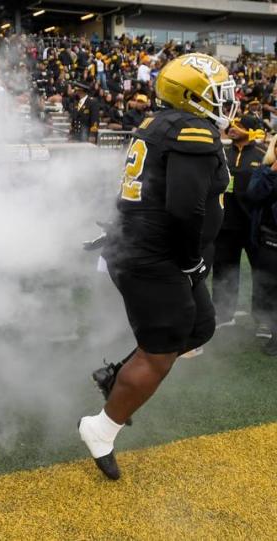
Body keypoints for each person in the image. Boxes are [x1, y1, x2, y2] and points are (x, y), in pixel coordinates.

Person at [83, 53, 235, 480]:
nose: (228, 100)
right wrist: (190, 262)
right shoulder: (191, 129)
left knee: (199, 326)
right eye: (218, 93)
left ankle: (116, 376)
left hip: (148, 249)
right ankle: (101, 429)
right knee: (162, 351)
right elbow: (186, 209)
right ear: (192, 96)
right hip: (157, 257)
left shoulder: (160, 123)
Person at [212, 115, 267, 328]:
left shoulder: (263, 154)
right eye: (233, 124)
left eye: (240, 125)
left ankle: (264, 320)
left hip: (256, 226)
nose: (233, 128)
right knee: (224, 270)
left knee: (262, 273)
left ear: (252, 130)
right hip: (226, 225)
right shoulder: (222, 155)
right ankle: (224, 314)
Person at [244, 135, 277, 354]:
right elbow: (253, 195)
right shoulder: (264, 170)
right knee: (269, 289)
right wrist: (272, 171)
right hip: (270, 240)